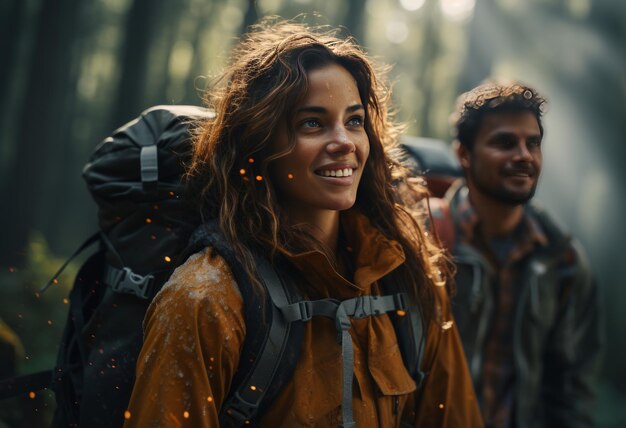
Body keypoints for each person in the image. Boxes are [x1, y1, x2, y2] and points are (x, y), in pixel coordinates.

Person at [123, 20, 482, 428]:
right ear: (260, 144)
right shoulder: (207, 299)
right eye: (312, 123)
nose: (344, 142)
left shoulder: (405, 279)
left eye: (355, 121)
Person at [438, 80, 602, 428]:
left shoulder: (564, 261)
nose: (524, 155)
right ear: (463, 155)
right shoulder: (426, 243)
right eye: (504, 143)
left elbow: (573, 388)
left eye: (533, 143)